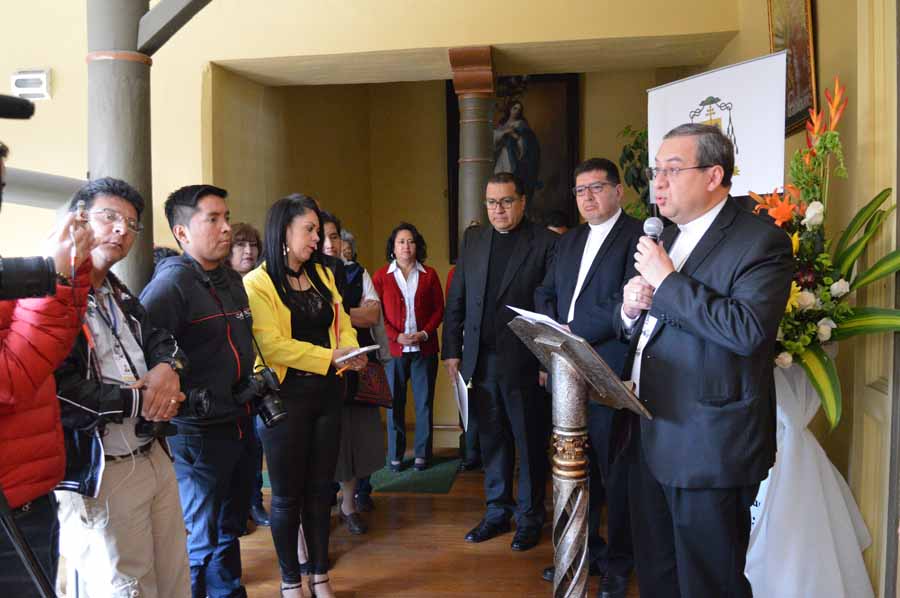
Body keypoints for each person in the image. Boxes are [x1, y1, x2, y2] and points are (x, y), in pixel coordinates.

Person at [617, 123, 792, 598]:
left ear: (714, 175)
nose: (658, 183)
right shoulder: (669, 236)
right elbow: (658, 328)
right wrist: (631, 311)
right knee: (658, 577)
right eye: (656, 170)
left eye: (673, 170)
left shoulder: (760, 241)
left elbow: (747, 330)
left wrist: (668, 282)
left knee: (709, 584)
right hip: (650, 432)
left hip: (709, 444)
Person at [53, 177, 191, 598]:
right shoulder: (51, 296)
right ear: (77, 221)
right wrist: (140, 400)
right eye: (109, 217)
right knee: (125, 587)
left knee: (174, 578)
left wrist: (168, 367)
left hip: (152, 454)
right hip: (102, 469)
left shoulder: (117, 292)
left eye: (131, 224)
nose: (121, 230)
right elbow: (60, 391)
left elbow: (161, 339)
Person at [243, 195, 366, 598]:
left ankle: (320, 576)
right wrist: (330, 356)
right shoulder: (257, 282)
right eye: (309, 230)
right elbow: (271, 345)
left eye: (317, 230)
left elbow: (343, 322)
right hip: (285, 399)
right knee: (285, 498)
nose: (318, 238)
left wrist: (351, 350)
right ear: (284, 232)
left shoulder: (323, 275)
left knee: (320, 492)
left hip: (328, 394)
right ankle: (290, 581)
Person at [141, 185, 257, 598]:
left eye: (227, 217)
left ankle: (228, 592)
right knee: (199, 537)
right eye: (213, 219)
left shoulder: (230, 280)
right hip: (197, 433)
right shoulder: (171, 286)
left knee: (229, 527)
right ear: (182, 233)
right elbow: (146, 355)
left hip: (238, 420)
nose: (226, 228)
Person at [534, 158, 642, 597]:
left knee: (616, 474)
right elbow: (545, 291)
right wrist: (553, 336)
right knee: (577, 468)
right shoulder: (569, 240)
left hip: (610, 370)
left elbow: (627, 303)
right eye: (580, 191)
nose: (587, 197)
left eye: (596, 188)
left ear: (618, 191)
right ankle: (587, 551)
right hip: (567, 371)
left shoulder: (638, 237)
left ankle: (619, 564)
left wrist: (571, 332)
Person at [443, 172, 557, 552]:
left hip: (525, 362)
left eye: (506, 201)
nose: (498, 210)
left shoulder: (544, 243)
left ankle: (529, 518)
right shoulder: (474, 240)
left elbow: (550, 307)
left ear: (522, 202)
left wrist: (546, 361)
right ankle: (496, 512)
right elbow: (457, 298)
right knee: (492, 440)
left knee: (529, 443)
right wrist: (452, 351)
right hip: (480, 360)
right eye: (492, 202)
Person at [0, 140, 95, 594]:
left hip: (29, 490)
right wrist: (54, 277)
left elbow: (44, 342)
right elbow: (11, 379)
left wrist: (67, 271)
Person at [321, 216, 384, 534]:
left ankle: (349, 505)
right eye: (322, 236)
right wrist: (348, 313)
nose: (329, 244)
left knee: (352, 437)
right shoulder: (299, 276)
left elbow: (372, 314)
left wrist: (338, 314)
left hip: (353, 365)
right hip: (316, 369)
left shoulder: (354, 272)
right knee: (323, 440)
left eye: (334, 237)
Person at [372, 223, 444, 472]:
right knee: (394, 404)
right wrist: (396, 336)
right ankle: (395, 455)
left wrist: (424, 333)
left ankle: (423, 454)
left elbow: (439, 309)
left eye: (411, 241)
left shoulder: (429, 275)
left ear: (417, 246)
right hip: (394, 352)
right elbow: (377, 314)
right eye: (401, 241)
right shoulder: (381, 276)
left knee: (424, 404)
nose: (406, 246)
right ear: (393, 247)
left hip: (425, 350)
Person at [225, 222, 271, 529]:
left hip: (259, 377)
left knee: (255, 445)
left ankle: (254, 501)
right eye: (241, 245)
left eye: (253, 245)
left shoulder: (262, 283)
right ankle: (238, 506)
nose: (248, 251)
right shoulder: (222, 286)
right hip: (230, 380)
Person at [493, 100, 541, 201]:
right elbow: (494, 138)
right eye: (515, 108)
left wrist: (514, 136)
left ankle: (508, 199)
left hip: (512, 155)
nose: (517, 111)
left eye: (519, 109)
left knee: (509, 178)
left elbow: (524, 142)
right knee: (498, 176)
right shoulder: (502, 124)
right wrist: (505, 132)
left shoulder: (520, 124)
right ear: (510, 109)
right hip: (501, 154)